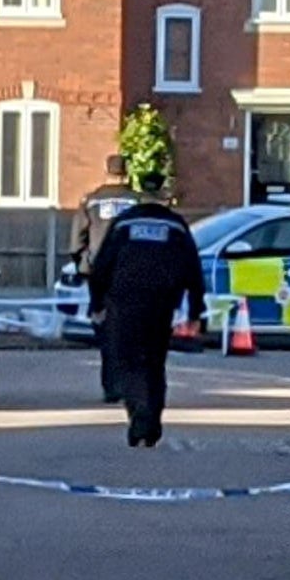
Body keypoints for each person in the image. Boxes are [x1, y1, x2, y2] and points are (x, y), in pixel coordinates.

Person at [87, 173, 205, 448]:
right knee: (153, 363)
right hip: (161, 305)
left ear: (141, 195)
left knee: (128, 362)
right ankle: (151, 419)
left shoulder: (124, 224)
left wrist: (97, 304)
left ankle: (140, 417)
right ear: (164, 196)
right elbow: (193, 271)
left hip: (124, 304)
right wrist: (195, 312)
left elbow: (102, 266)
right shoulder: (175, 226)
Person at [69, 157, 152, 403]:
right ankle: (131, 382)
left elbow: (77, 241)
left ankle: (111, 386)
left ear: (106, 171)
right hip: (133, 272)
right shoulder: (137, 201)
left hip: (101, 274)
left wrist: (84, 265)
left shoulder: (91, 200)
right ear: (126, 173)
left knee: (107, 329)